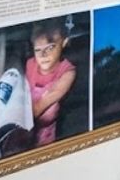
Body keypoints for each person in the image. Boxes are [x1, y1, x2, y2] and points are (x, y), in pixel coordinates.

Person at [24, 18, 76, 146]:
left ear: (64, 42)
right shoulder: (30, 64)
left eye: (50, 47)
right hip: (22, 131)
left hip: (44, 134)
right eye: (38, 50)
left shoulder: (67, 72)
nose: (43, 55)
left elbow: (39, 107)